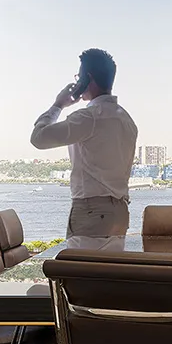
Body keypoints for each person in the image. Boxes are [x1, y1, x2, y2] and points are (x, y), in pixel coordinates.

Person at [30, 48, 138, 249]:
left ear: (88, 78)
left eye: (79, 76)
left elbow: (38, 138)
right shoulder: (126, 120)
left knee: (82, 274)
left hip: (91, 211)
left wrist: (58, 104)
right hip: (120, 211)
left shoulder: (89, 117)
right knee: (108, 275)